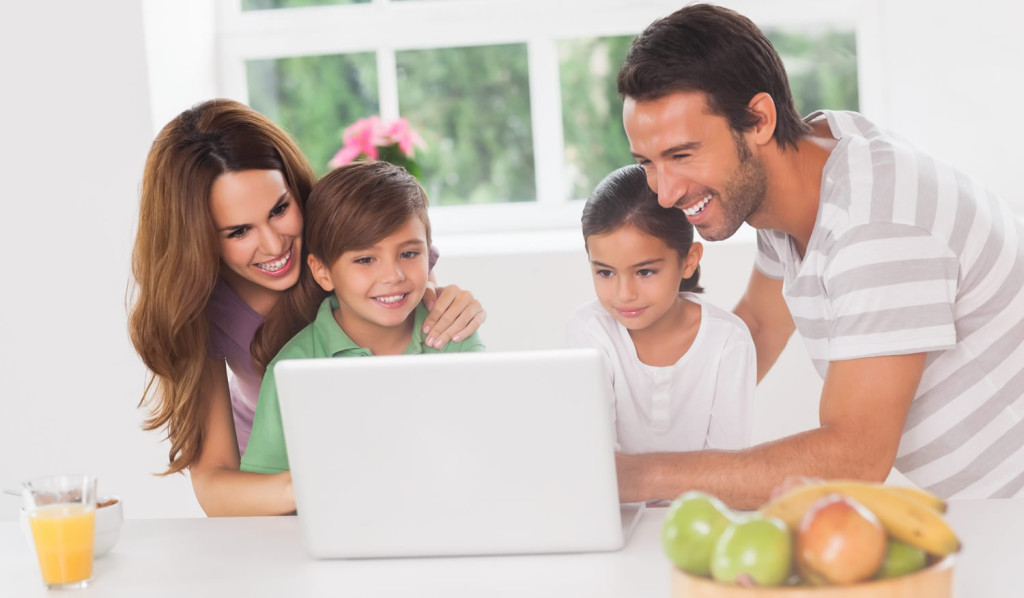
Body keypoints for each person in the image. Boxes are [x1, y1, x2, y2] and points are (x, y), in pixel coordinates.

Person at [614, 3, 1024, 507]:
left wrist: (641, 476)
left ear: (759, 119)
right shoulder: (805, 169)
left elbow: (854, 456)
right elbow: (757, 330)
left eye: (682, 155)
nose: (664, 192)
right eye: (648, 163)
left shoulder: (876, 225)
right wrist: (642, 429)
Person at [129, 99, 486, 516]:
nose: (274, 245)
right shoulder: (201, 311)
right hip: (281, 484)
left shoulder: (344, 240)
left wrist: (453, 307)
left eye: (279, 209)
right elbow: (215, 483)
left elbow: (415, 300)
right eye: (239, 231)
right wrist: (320, 482)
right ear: (198, 239)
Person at [240, 161, 486, 474]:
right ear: (323, 272)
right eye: (365, 259)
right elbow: (263, 486)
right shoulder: (292, 368)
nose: (393, 275)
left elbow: (484, 452)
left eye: (409, 253)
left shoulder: (455, 337)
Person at [567, 164, 755, 482]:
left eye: (645, 272)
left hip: (701, 520)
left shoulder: (727, 341)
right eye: (605, 272)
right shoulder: (590, 331)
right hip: (614, 520)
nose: (624, 295)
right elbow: (596, 464)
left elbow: (726, 469)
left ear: (689, 260)